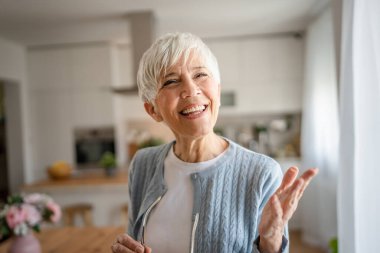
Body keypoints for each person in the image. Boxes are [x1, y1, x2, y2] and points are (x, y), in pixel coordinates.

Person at [111, 32, 318, 253]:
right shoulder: (143, 163)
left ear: (217, 91)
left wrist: (270, 241)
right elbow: (134, 238)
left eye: (200, 75)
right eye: (171, 81)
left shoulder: (262, 172)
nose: (191, 89)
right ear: (153, 110)